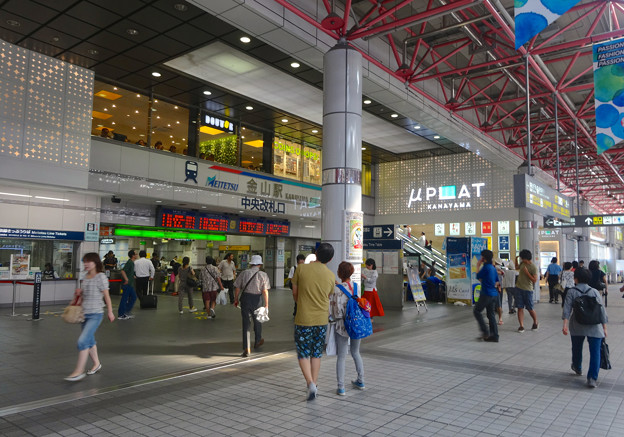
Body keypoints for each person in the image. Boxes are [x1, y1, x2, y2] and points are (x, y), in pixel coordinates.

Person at [292, 243, 335, 401]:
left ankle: (309, 383)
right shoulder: (330, 275)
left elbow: (295, 294)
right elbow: (328, 296)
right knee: (316, 353)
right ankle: (314, 385)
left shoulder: (301, 269)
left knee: (303, 352)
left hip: (303, 318)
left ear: (316, 253)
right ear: (330, 259)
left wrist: (302, 303)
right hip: (321, 319)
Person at [64, 253, 115, 381]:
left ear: (95, 263)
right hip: (84, 314)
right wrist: (79, 293)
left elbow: (106, 296)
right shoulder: (85, 277)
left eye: (88, 262)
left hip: (96, 314)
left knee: (82, 341)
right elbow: (85, 295)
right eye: (85, 261)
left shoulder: (101, 277)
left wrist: (110, 311)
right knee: (90, 341)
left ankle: (79, 371)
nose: (86, 264)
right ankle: (97, 364)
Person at [562, 267, 608, 388]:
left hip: (577, 325)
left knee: (577, 348)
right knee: (595, 352)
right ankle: (592, 378)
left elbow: (567, 309)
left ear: (575, 279)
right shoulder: (594, 292)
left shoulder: (571, 291)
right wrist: (604, 327)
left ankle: (577, 367)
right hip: (595, 326)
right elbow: (602, 310)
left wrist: (565, 325)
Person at [329, 261, 365, 395]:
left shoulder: (336, 290)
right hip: (356, 325)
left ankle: (341, 387)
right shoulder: (356, 287)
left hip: (342, 326)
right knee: (356, 352)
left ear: (339, 273)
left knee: (342, 356)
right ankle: (360, 380)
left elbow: (335, 313)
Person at [234, 254, 270, 357]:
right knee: (257, 320)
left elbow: (237, 288)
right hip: (257, 299)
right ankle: (258, 340)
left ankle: (246, 347)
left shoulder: (244, 273)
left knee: (246, 323)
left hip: (245, 299)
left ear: (251, 264)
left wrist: (236, 299)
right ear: (259, 264)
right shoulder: (263, 275)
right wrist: (266, 305)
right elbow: (265, 291)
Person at [474, 250, 500, 342]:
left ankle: (485, 332)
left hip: (486, 293)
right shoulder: (493, 268)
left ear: (483, 258)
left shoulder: (485, 267)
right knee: (491, 314)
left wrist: (477, 265)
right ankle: (495, 335)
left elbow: (478, 276)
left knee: (477, 311)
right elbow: (497, 281)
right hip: (494, 294)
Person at [515, 249, 539, 332]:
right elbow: (516, 267)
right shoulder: (522, 263)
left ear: (526, 258)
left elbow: (534, 280)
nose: (521, 259)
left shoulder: (533, 267)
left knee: (530, 308)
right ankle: (521, 325)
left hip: (528, 290)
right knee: (520, 307)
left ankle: (535, 322)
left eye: (522, 258)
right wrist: (516, 259)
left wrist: (527, 272)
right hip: (518, 288)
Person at [118, 250, 138, 320]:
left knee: (133, 297)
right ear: (133, 255)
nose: (137, 255)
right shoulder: (129, 262)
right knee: (125, 299)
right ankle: (121, 314)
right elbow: (123, 271)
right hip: (127, 284)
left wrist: (133, 275)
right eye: (136, 254)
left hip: (130, 284)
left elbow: (129, 272)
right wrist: (126, 279)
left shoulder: (132, 263)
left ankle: (126, 311)